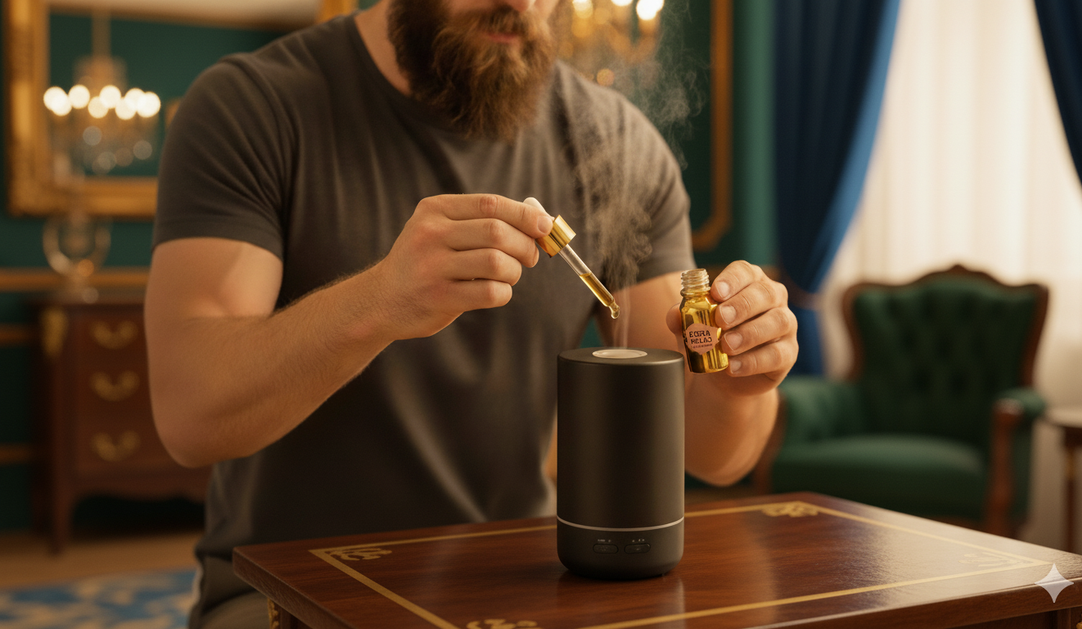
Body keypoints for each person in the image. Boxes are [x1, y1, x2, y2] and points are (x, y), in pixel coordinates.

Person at [144, 0, 798, 627]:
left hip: (522, 588)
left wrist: (738, 378)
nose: (522, 2)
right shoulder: (250, 107)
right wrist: (381, 301)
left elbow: (713, 453)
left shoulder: (619, 144)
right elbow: (192, 413)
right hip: (287, 595)